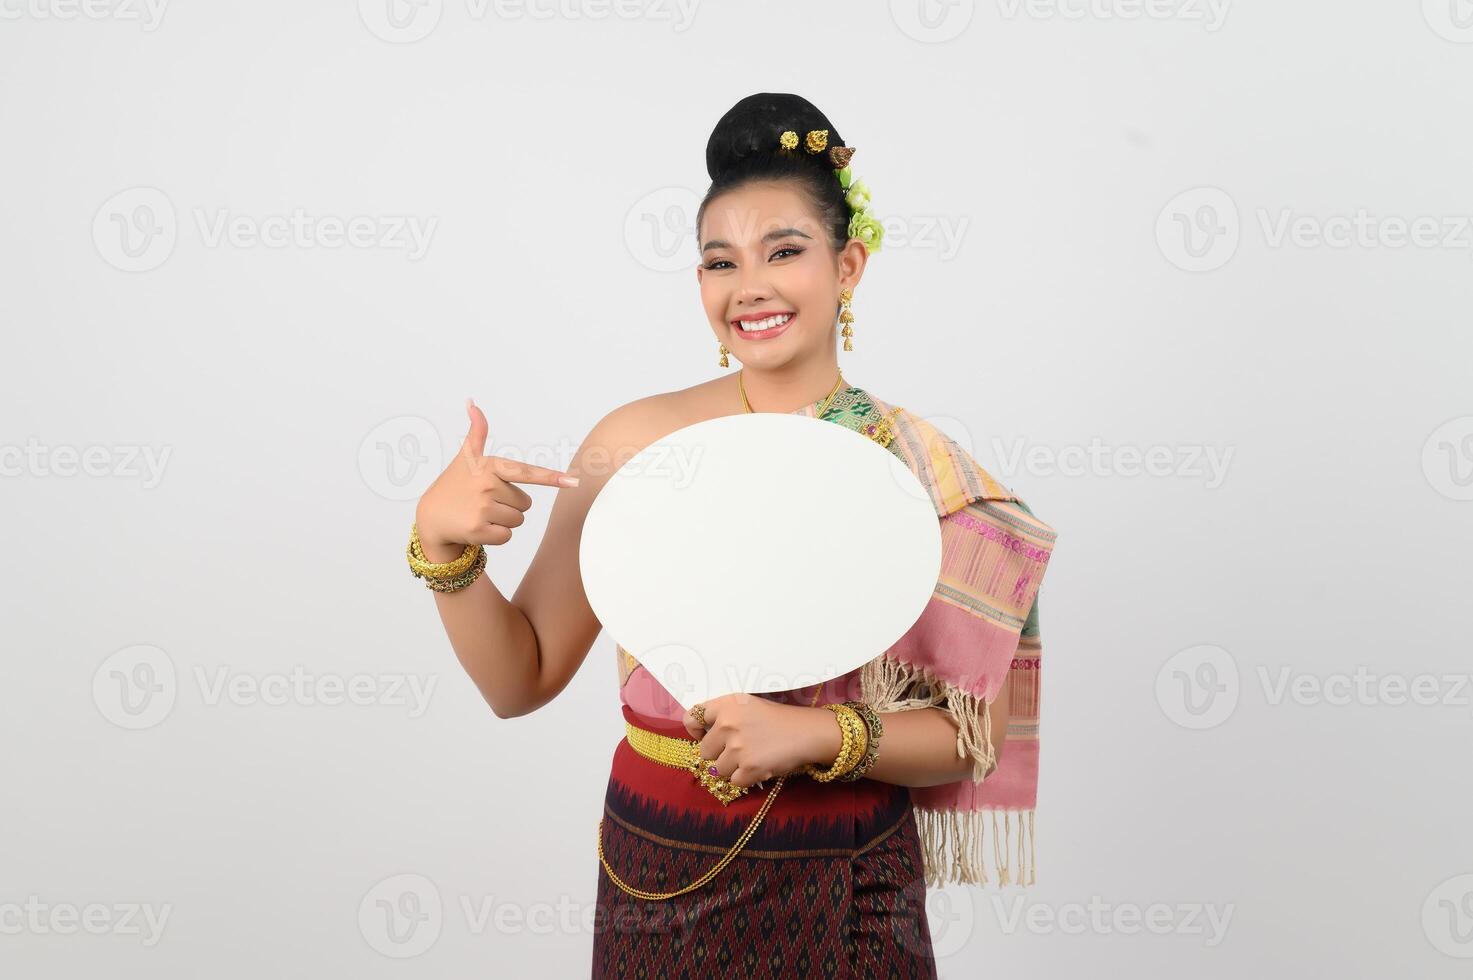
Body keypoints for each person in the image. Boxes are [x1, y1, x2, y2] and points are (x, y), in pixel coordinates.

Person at [407, 92, 1057, 979]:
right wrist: (444, 549)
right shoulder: (634, 444)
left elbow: (967, 735)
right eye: (720, 261)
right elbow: (519, 679)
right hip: (657, 866)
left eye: (783, 251)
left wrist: (817, 735)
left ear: (848, 265)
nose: (748, 285)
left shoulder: (919, 470)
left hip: (848, 881)